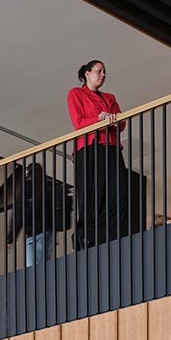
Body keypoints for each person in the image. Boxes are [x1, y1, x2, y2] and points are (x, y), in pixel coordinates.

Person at [66, 59, 125, 250]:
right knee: (93, 193)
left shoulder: (110, 97)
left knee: (119, 192)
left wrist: (110, 121)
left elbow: (121, 123)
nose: (103, 75)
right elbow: (79, 123)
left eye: (104, 71)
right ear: (87, 74)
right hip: (89, 146)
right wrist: (99, 119)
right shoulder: (76, 93)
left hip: (110, 146)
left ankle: (111, 236)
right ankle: (87, 236)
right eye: (99, 71)